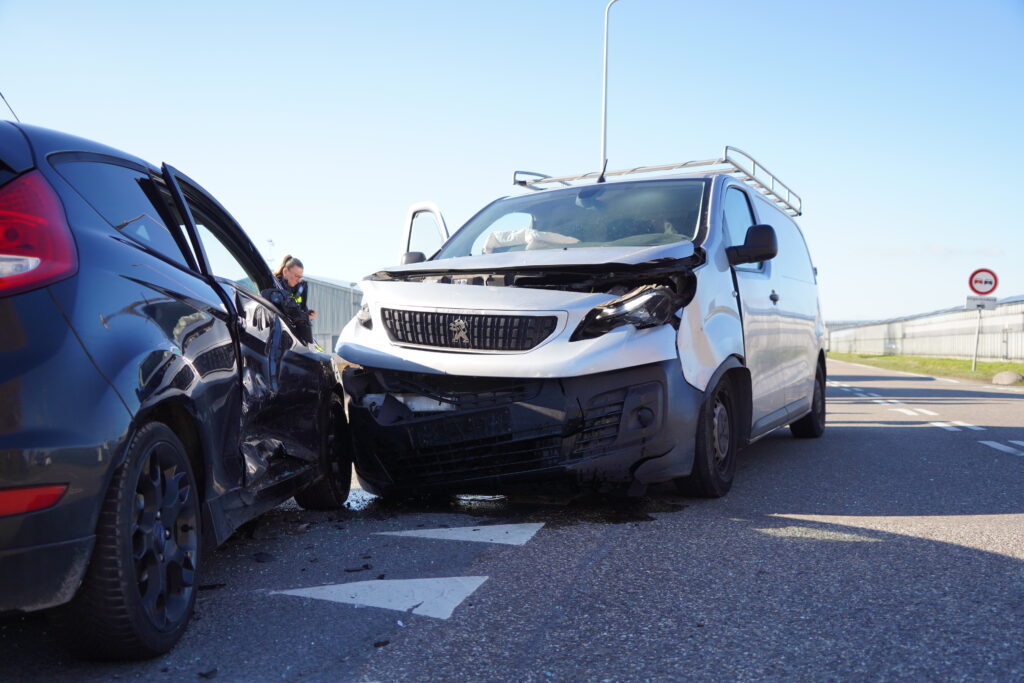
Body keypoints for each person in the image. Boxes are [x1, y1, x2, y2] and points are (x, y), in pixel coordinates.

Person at [272, 255, 316, 343]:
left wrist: (307, 316)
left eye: (300, 277)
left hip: (296, 338)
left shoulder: (300, 288)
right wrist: (304, 316)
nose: (298, 280)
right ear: (285, 271)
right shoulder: (276, 288)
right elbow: (287, 312)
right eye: (296, 276)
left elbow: (301, 309)